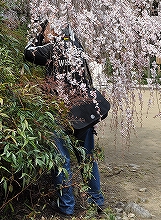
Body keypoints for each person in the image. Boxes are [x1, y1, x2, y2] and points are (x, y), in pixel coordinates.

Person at [24, 21, 110, 216]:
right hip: (83, 110)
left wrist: (37, 38)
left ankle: (66, 205)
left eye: (45, 29)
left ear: (53, 29)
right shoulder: (76, 46)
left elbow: (28, 51)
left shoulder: (51, 48)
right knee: (87, 158)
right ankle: (96, 202)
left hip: (59, 111)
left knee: (60, 158)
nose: (43, 33)